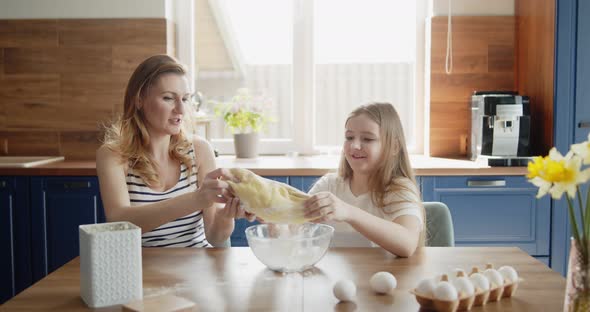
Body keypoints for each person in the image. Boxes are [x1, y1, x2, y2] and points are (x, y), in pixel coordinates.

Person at [96, 55, 252, 248]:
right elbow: (119, 222)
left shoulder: (200, 150)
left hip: (197, 270)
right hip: (142, 273)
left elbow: (215, 237)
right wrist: (196, 199)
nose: (181, 109)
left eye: (185, 99)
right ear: (139, 100)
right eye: (168, 98)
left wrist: (227, 215)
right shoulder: (113, 155)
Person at [303, 103, 425, 257]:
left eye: (367, 139)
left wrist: (348, 212)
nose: (355, 145)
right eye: (349, 137)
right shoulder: (329, 185)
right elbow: (299, 230)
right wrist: (278, 226)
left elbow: (407, 244)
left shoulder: (400, 190)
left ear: (394, 147)